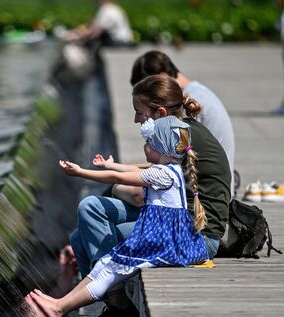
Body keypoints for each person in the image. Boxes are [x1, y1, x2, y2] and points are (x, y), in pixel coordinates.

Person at [68, 75, 231, 315]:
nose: (135, 119)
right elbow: (148, 178)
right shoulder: (180, 130)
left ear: (161, 112)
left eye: (139, 112)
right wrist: (117, 173)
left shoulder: (181, 137)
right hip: (170, 220)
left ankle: (114, 296)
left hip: (192, 235)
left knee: (82, 236)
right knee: (87, 216)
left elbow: (139, 194)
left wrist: (115, 184)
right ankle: (112, 294)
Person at [25, 116, 209, 317]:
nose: (145, 147)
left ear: (158, 148)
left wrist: (81, 172)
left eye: (148, 143)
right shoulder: (168, 170)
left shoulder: (163, 175)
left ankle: (60, 308)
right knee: (106, 263)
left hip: (164, 241)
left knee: (111, 268)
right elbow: (129, 171)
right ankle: (60, 303)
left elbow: (120, 178)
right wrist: (110, 165)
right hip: (163, 236)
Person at [130, 50, 236, 192]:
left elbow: (173, 165)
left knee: (126, 187)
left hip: (205, 189)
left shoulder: (189, 104)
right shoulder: (193, 93)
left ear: (162, 76)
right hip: (209, 179)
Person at [61, 0, 133, 47]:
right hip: (125, 39)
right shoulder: (116, 8)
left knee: (89, 42)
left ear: (100, 1)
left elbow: (97, 30)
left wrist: (77, 36)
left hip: (119, 41)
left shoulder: (106, 9)